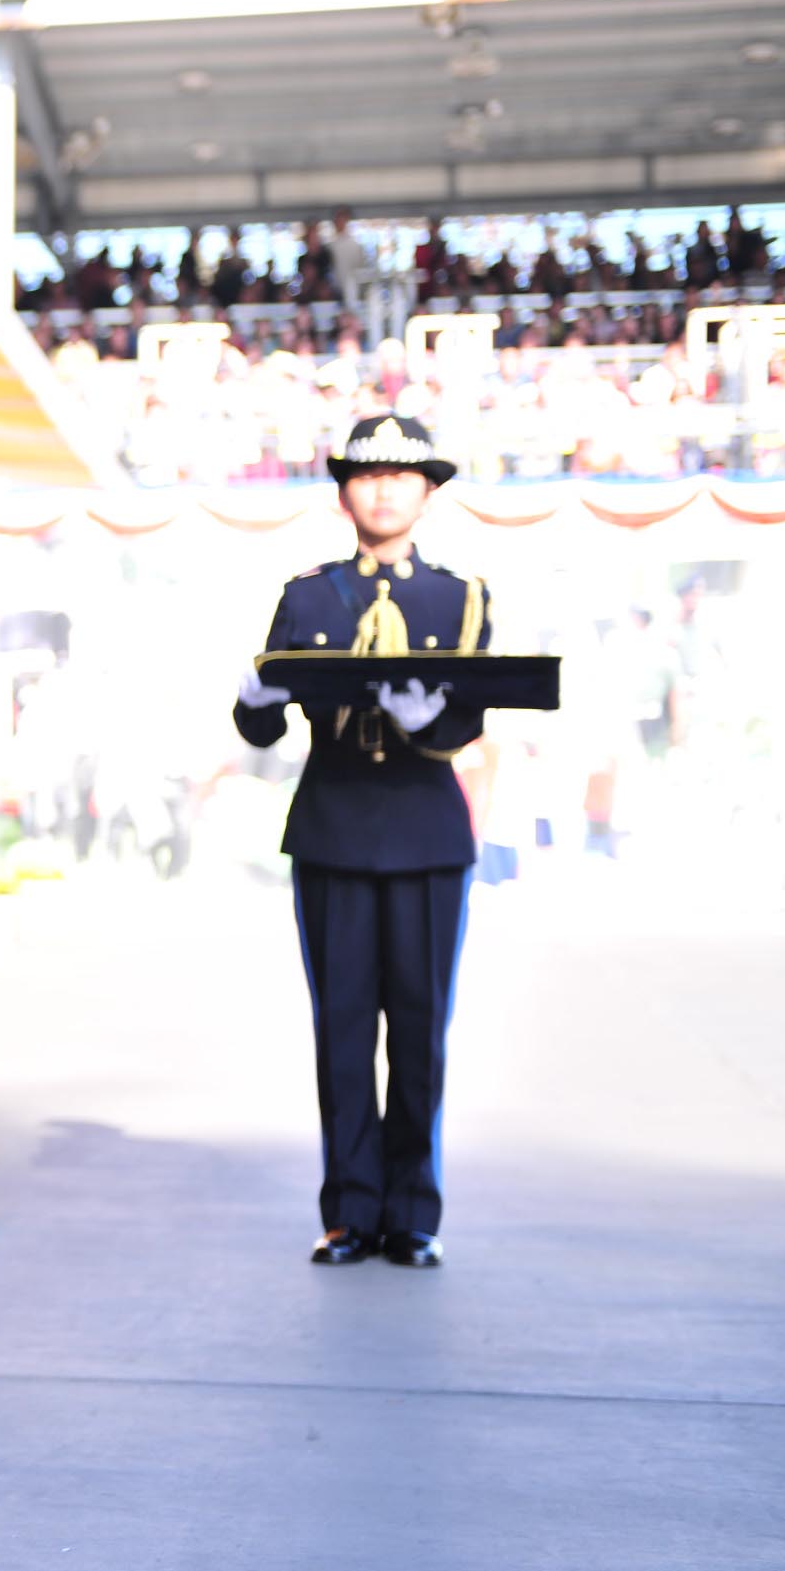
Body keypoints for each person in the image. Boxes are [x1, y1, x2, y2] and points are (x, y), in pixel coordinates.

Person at [232, 413, 492, 1271]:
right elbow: (261, 725)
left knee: (419, 1032)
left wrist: (435, 723)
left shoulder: (460, 596)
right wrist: (255, 702)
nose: (384, 489)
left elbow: (469, 713)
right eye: (367, 475)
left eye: (402, 476)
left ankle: (412, 1212)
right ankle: (348, 1211)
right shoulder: (307, 594)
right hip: (335, 827)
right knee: (342, 1029)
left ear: (428, 492)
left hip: (424, 829)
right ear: (344, 492)